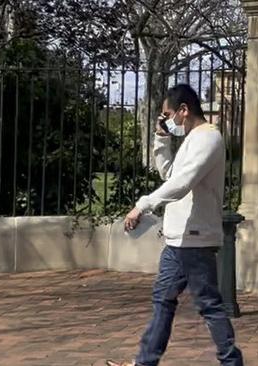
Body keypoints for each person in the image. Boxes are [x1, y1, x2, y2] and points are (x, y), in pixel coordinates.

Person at [106, 84, 244, 366]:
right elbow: (171, 175)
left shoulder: (209, 139)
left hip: (195, 239)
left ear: (184, 110)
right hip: (178, 238)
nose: (169, 121)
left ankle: (232, 362)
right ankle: (145, 362)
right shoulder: (193, 140)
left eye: (169, 115)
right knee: (163, 300)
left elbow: (181, 185)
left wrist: (142, 205)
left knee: (208, 306)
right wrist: (161, 139)